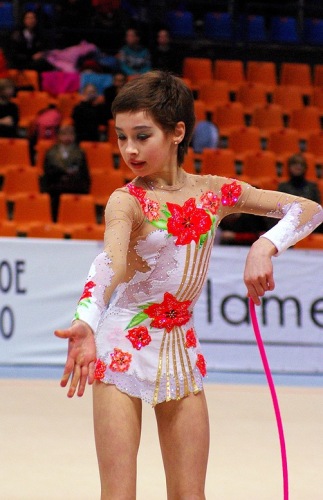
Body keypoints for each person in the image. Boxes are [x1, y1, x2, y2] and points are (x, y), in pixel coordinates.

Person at [54, 71, 323, 499]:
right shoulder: (128, 200)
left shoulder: (214, 193)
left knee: (190, 495)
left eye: (142, 136)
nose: (129, 150)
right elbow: (109, 262)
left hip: (180, 349)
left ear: (178, 132)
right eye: (121, 137)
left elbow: (308, 210)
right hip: (122, 345)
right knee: (118, 495)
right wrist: (85, 320)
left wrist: (265, 245)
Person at [42, 124, 91, 221]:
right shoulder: (51, 152)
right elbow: (47, 172)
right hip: (56, 188)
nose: (67, 137)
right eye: (64, 134)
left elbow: (84, 173)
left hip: (75, 187)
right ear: (59, 136)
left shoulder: (80, 153)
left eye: (70, 134)